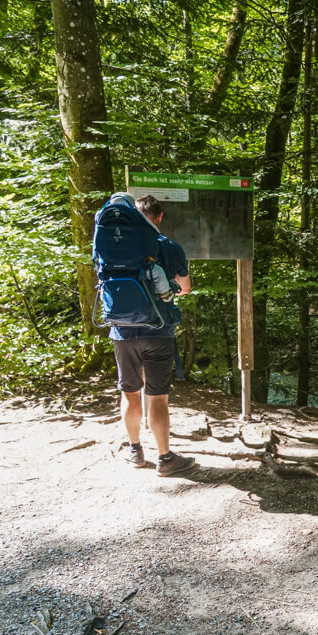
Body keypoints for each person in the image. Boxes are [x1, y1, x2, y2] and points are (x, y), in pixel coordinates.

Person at [112, 194, 195, 476]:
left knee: (129, 392)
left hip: (122, 331)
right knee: (157, 397)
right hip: (158, 330)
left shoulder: (115, 247)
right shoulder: (169, 247)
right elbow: (185, 288)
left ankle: (135, 451)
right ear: (159, 217)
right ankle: (165, 458)